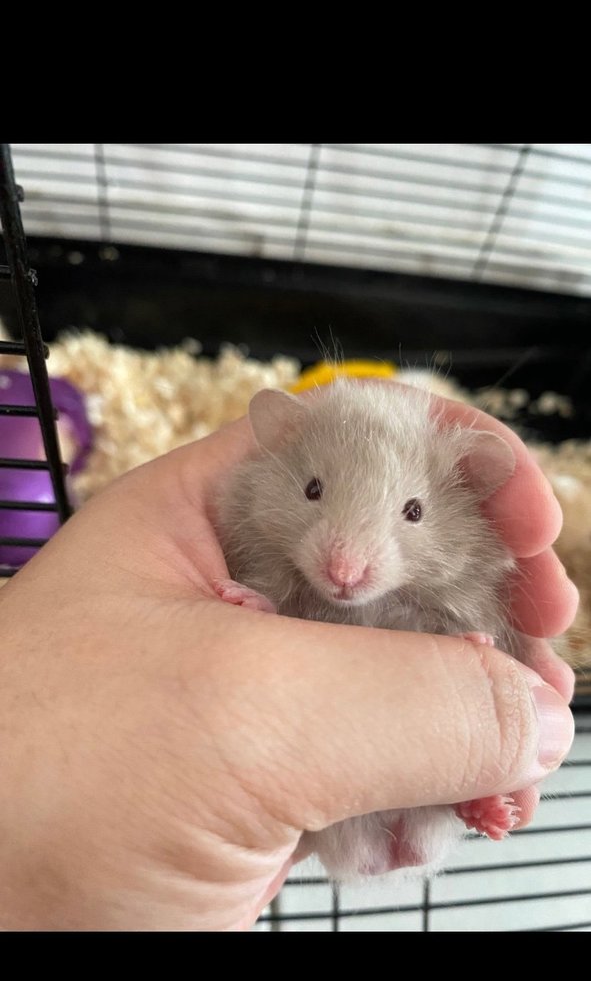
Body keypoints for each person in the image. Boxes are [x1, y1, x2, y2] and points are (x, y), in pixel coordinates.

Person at [0, 390, 577, 931]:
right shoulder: (244, 533)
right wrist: (261, 606)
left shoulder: (471, 571)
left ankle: (464, 794)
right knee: (351, 832)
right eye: (315, 491)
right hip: (331, 807)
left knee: (426, 820)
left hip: (401, 796)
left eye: (412, 511)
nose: (346, 568)